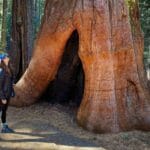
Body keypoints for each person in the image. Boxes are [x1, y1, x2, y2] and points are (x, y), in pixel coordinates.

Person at [0, 51, 15, 133]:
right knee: (1, 111)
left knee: (4, 111)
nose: (8, 58)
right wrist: (2, 97)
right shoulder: (2, 70)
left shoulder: (8, 68)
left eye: (7, 57)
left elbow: (9, 81)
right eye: (6, 57)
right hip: (2, 95)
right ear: (2, 60)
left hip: (7, 94)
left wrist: (12, 91)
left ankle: (4, 127)